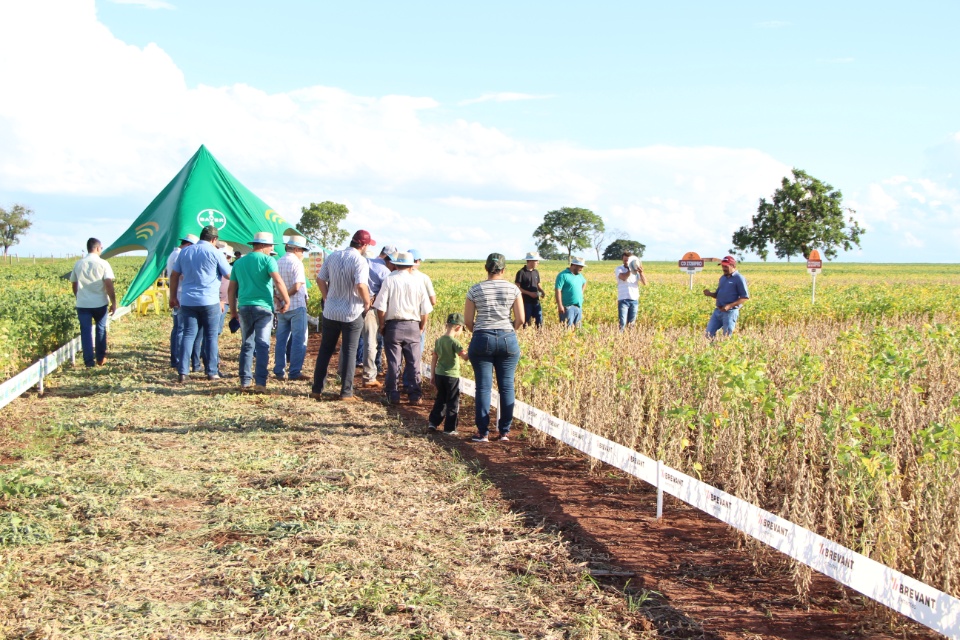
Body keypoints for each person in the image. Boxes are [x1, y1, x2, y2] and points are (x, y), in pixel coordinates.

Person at [464, 253, 524, 443]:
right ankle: (504, 431)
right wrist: (508, 331)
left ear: (486, 268)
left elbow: (467, 320)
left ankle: (482, 432)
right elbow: (521, 319)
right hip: (508, 337)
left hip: (482, 337)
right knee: (506, 386)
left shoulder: (475, 290)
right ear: (504, 270)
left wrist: (480, 332)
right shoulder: (513, 289)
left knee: (483, 387)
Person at [310, 230, 374, 402]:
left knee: (325, 350)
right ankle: (346, 392)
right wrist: (367, 302)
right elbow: (361, 285)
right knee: (349, 351)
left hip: (331, 311)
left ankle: (317, 389)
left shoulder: (333, 256)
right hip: (352, 312)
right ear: (364, 245)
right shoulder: (360, 261)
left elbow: (320, 279)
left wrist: (326, 297)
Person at [228, 232, 290, 392]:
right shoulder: (268, 260)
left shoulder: (239, 263)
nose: (271, 249)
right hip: (263, 308)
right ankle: (260, 382)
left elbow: (232, 288)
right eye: (270, 246)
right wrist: (286, 300)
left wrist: (233, 311)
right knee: (262, 345)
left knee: (247, 344)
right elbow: (277, 280)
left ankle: (245, 380)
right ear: (263, 246)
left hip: (244, 307)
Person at [170, 225, 232, 382]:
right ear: (214, 239)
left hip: (188, 300)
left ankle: (183, 372)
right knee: (211, 336)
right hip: (210, 300)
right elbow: (228, 274)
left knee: (188, 334)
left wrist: (173, 297)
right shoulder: (215, 253)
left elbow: (174, 274)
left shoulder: (185, 252)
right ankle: (212, 372)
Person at [374, 251, 433, 405]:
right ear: (410, 265)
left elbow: (380, 307)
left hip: (393, 326)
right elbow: (425, 310)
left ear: (396, 264)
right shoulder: (418, 282)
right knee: (414, 362)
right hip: (413, 325)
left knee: (394, 362)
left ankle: (393, 394)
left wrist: (382, 325)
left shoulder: (389, 280)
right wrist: (421, 327)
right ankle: (415, 395)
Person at [69, 238, 117, 367]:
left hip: (83, 304)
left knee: (86, 332)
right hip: (100, 303)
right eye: (101, 248)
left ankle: (88, 362)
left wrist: (78, 296)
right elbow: (108, 284)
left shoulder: (78, 264)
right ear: (96, 248)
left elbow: (74, 284)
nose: (101, 250)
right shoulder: (103, 264)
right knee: (101, 330)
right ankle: (100, 358)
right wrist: (113, 301)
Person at [273, 235, 310, 381]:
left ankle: (279, 370)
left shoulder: (278, 262)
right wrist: (285, 297)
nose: (303, 254)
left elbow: (273, 284)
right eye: (302, 250)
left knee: (281, 339)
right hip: (296, 306)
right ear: (296, 249)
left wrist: (279, 298)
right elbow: (297, 285)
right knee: (299, 340)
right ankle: (294, 372)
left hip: (281, 308)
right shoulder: (296, 263)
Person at [428, 312, 468, 435]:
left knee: (441, 398)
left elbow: (434, 357)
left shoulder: (439, 341)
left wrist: (433, 374)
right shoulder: (455, 343)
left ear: (446, 325)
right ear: (458, 327)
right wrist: (472, 349)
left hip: (439, 374)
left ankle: (433, 423)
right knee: (452, 401)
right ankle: (450, 428)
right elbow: (465, 357)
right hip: (452, 376)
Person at [358, 245, 390, 388]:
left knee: (350, 341)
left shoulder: (364, 262)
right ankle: (369, 376)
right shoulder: (384, 271)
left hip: (350, 305)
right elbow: (384, 296)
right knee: (371, 342)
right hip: (367, 307)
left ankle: (341, 372)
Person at [167, 233, 198, 370]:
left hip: (178, 293)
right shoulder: (179, 256)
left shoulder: (174, 254)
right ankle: (178, 358)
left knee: (178, 328)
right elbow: (180, 276)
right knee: (181, 329)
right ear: (189, 245)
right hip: (180, 294)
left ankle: (176, 357)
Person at [703, 255, 749, 338]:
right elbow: (718, 295)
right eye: (722, 266)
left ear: (733, 266)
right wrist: (710, 294)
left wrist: (729, 306)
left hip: (730, 312)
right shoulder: (723, 278)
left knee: (727, 337)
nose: (723, 268)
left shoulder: (739, 278)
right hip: (718, 311)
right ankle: (713, 349)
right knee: (708, 334)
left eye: (726, 266)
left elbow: (744, 297)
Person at [615, 251, 647, 330]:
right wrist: (630, 269)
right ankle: (620, 338)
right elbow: (623, 277)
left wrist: (641, 273)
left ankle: (629, 338)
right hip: (623, 299)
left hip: (634, 300)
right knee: (622, 322)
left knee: (631, 323)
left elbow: (645, 283)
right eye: (625, 260)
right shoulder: (619, 269)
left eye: (628, 261)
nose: (626, 262)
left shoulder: (636, 272)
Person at [554, 256, 587, 328]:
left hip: (578, 307)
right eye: (580, 267)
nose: (581, 269)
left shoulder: (579, 276)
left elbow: (584, 282)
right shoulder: (563, 275)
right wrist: (560, 305)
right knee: (567, 328)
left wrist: (581, 293)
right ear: (574, 265)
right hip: (567, 307)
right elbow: (558, 290)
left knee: (578, 329)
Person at [515, 252, 544, 328]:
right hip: (526, 302)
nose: (538, 262)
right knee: (526, 322)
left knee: (539, 321)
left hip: (536, 301)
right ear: (530, 261)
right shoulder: (521, 272)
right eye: (536, 261)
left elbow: (538, 284)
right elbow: (517, 287)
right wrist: (529, 293)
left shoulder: (536, 272)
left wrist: (542, 291)